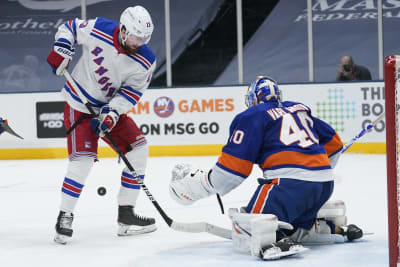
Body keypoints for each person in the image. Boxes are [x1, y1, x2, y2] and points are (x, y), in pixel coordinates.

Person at [169, 76, 363, 260]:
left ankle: (276, 238)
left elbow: (232, 171)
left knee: (247, 225)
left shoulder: (252, 115)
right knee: (293, 216)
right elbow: (335, 145)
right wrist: (314, 170)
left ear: (252, 98)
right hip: (324, 185)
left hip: (287, 186)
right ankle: (326, 228)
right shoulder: (298, 109)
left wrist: (204, 184)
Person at [46, 6, 157, 244]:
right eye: (135, 35)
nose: (138, 42)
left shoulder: (146, 60)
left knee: (139, 150)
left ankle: (126, 216)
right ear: (124, 28)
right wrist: (62, 47)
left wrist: (112, 113)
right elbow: (70, 28)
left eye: (143, 38)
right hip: (79, 104)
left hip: (107, 108)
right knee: (82, 162)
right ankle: (65, 216)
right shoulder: (100, 28)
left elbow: (131, 92)